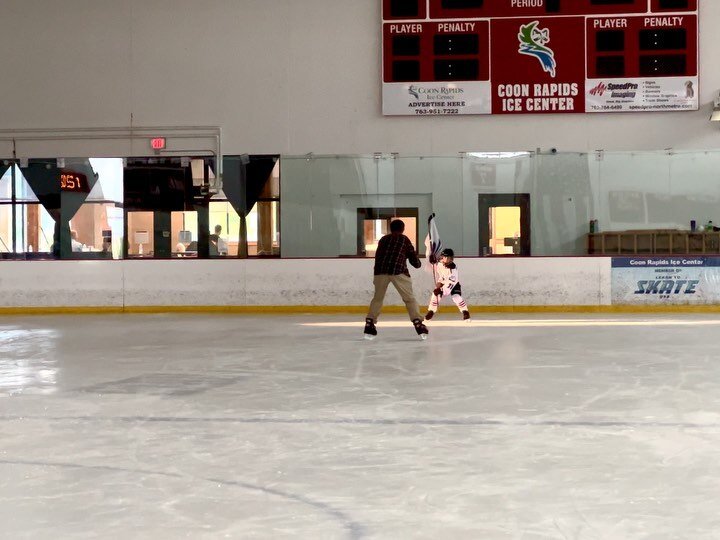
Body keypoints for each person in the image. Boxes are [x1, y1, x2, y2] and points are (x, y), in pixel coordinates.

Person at [364, 219, 429, 339]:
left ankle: (370, 323)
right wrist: (419, 263)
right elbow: (414, 260)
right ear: (403, 229)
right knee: (409, 299)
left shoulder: (383, 239)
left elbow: (378, 256)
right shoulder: (404, 239)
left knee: (377, 298)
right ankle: (418, 323)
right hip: (398, 271)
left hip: (380, 272)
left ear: (390, 228)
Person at [425, 248, 470, 321]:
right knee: (435, 295)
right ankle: (431, 311)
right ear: (443, 257)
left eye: (450, 258)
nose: (449, 259)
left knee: (456, 297)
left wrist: (442, 290)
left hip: (453, 284)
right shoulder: (439, 263)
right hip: (442, 282)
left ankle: (465, 312)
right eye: (447, 257)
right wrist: (431, 261)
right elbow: (432, 267)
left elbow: (450, 284)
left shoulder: (453, 270)